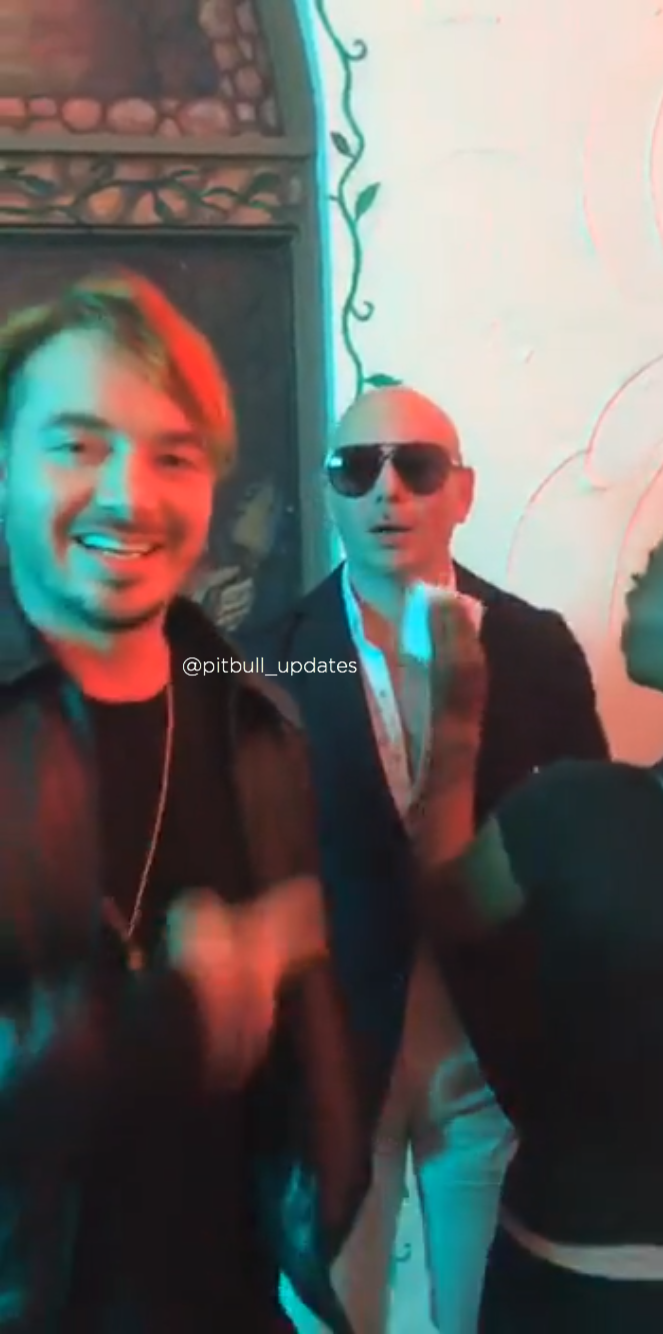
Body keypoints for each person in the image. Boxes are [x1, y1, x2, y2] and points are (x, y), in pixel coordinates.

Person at [0, 272, 367, 1333]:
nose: (130, 495)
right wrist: (174, 1010)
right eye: (78, 445)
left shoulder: (255, 717)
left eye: (173, 455)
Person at [240, 385, 608, 1332]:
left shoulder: (536, 647)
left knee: (492, 1316)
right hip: (332, 1064)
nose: (386, 492)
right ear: (327, 491)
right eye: (356, 469)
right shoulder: (267, 657)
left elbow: (582, 849)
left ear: (463, 491)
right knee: (335, 1318)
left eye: (416, 466)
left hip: (491, 1055)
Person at [412, 496, 663, 1333]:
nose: (632, 588)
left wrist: (453, 725)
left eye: (652, 573)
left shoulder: (577, 813)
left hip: (583, 1290)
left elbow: (444, 905)